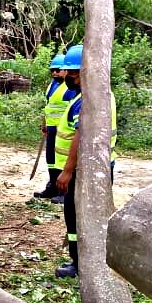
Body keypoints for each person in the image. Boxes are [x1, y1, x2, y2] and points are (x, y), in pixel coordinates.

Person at [53, 44, 117, 279]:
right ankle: (82, 260)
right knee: (79, 216)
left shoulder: (89, 100)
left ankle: (81, 264)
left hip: (84, 170)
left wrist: (67, 170)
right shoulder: (93, 95)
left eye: (72, 73)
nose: (68, 77)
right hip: (92, 167)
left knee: (78, 217)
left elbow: (80, 137)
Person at [33, 53, 71, 202]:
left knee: (62, 160)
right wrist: (44, 124)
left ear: (65, 70)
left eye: (58, 69)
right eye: (52, 70)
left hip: (63, 131)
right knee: (51, 159)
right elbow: (48, 107)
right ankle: (52, 187)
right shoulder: (51, 85)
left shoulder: (69, 88)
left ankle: (63, 192)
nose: (55, 72)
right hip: (51, 128)